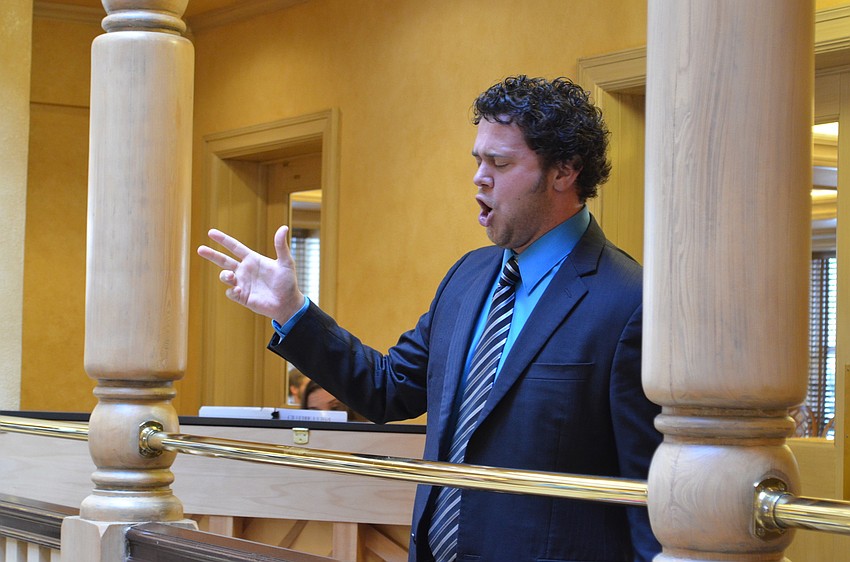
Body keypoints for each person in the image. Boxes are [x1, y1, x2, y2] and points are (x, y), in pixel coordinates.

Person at [198, 75, 662, 562]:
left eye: (500, 163)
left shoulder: (629, 302)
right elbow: (388, 387)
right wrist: (292, 311)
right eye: (477, 160)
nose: (479, 177)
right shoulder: (468, 277)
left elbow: (648, 495)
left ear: (565, 171)